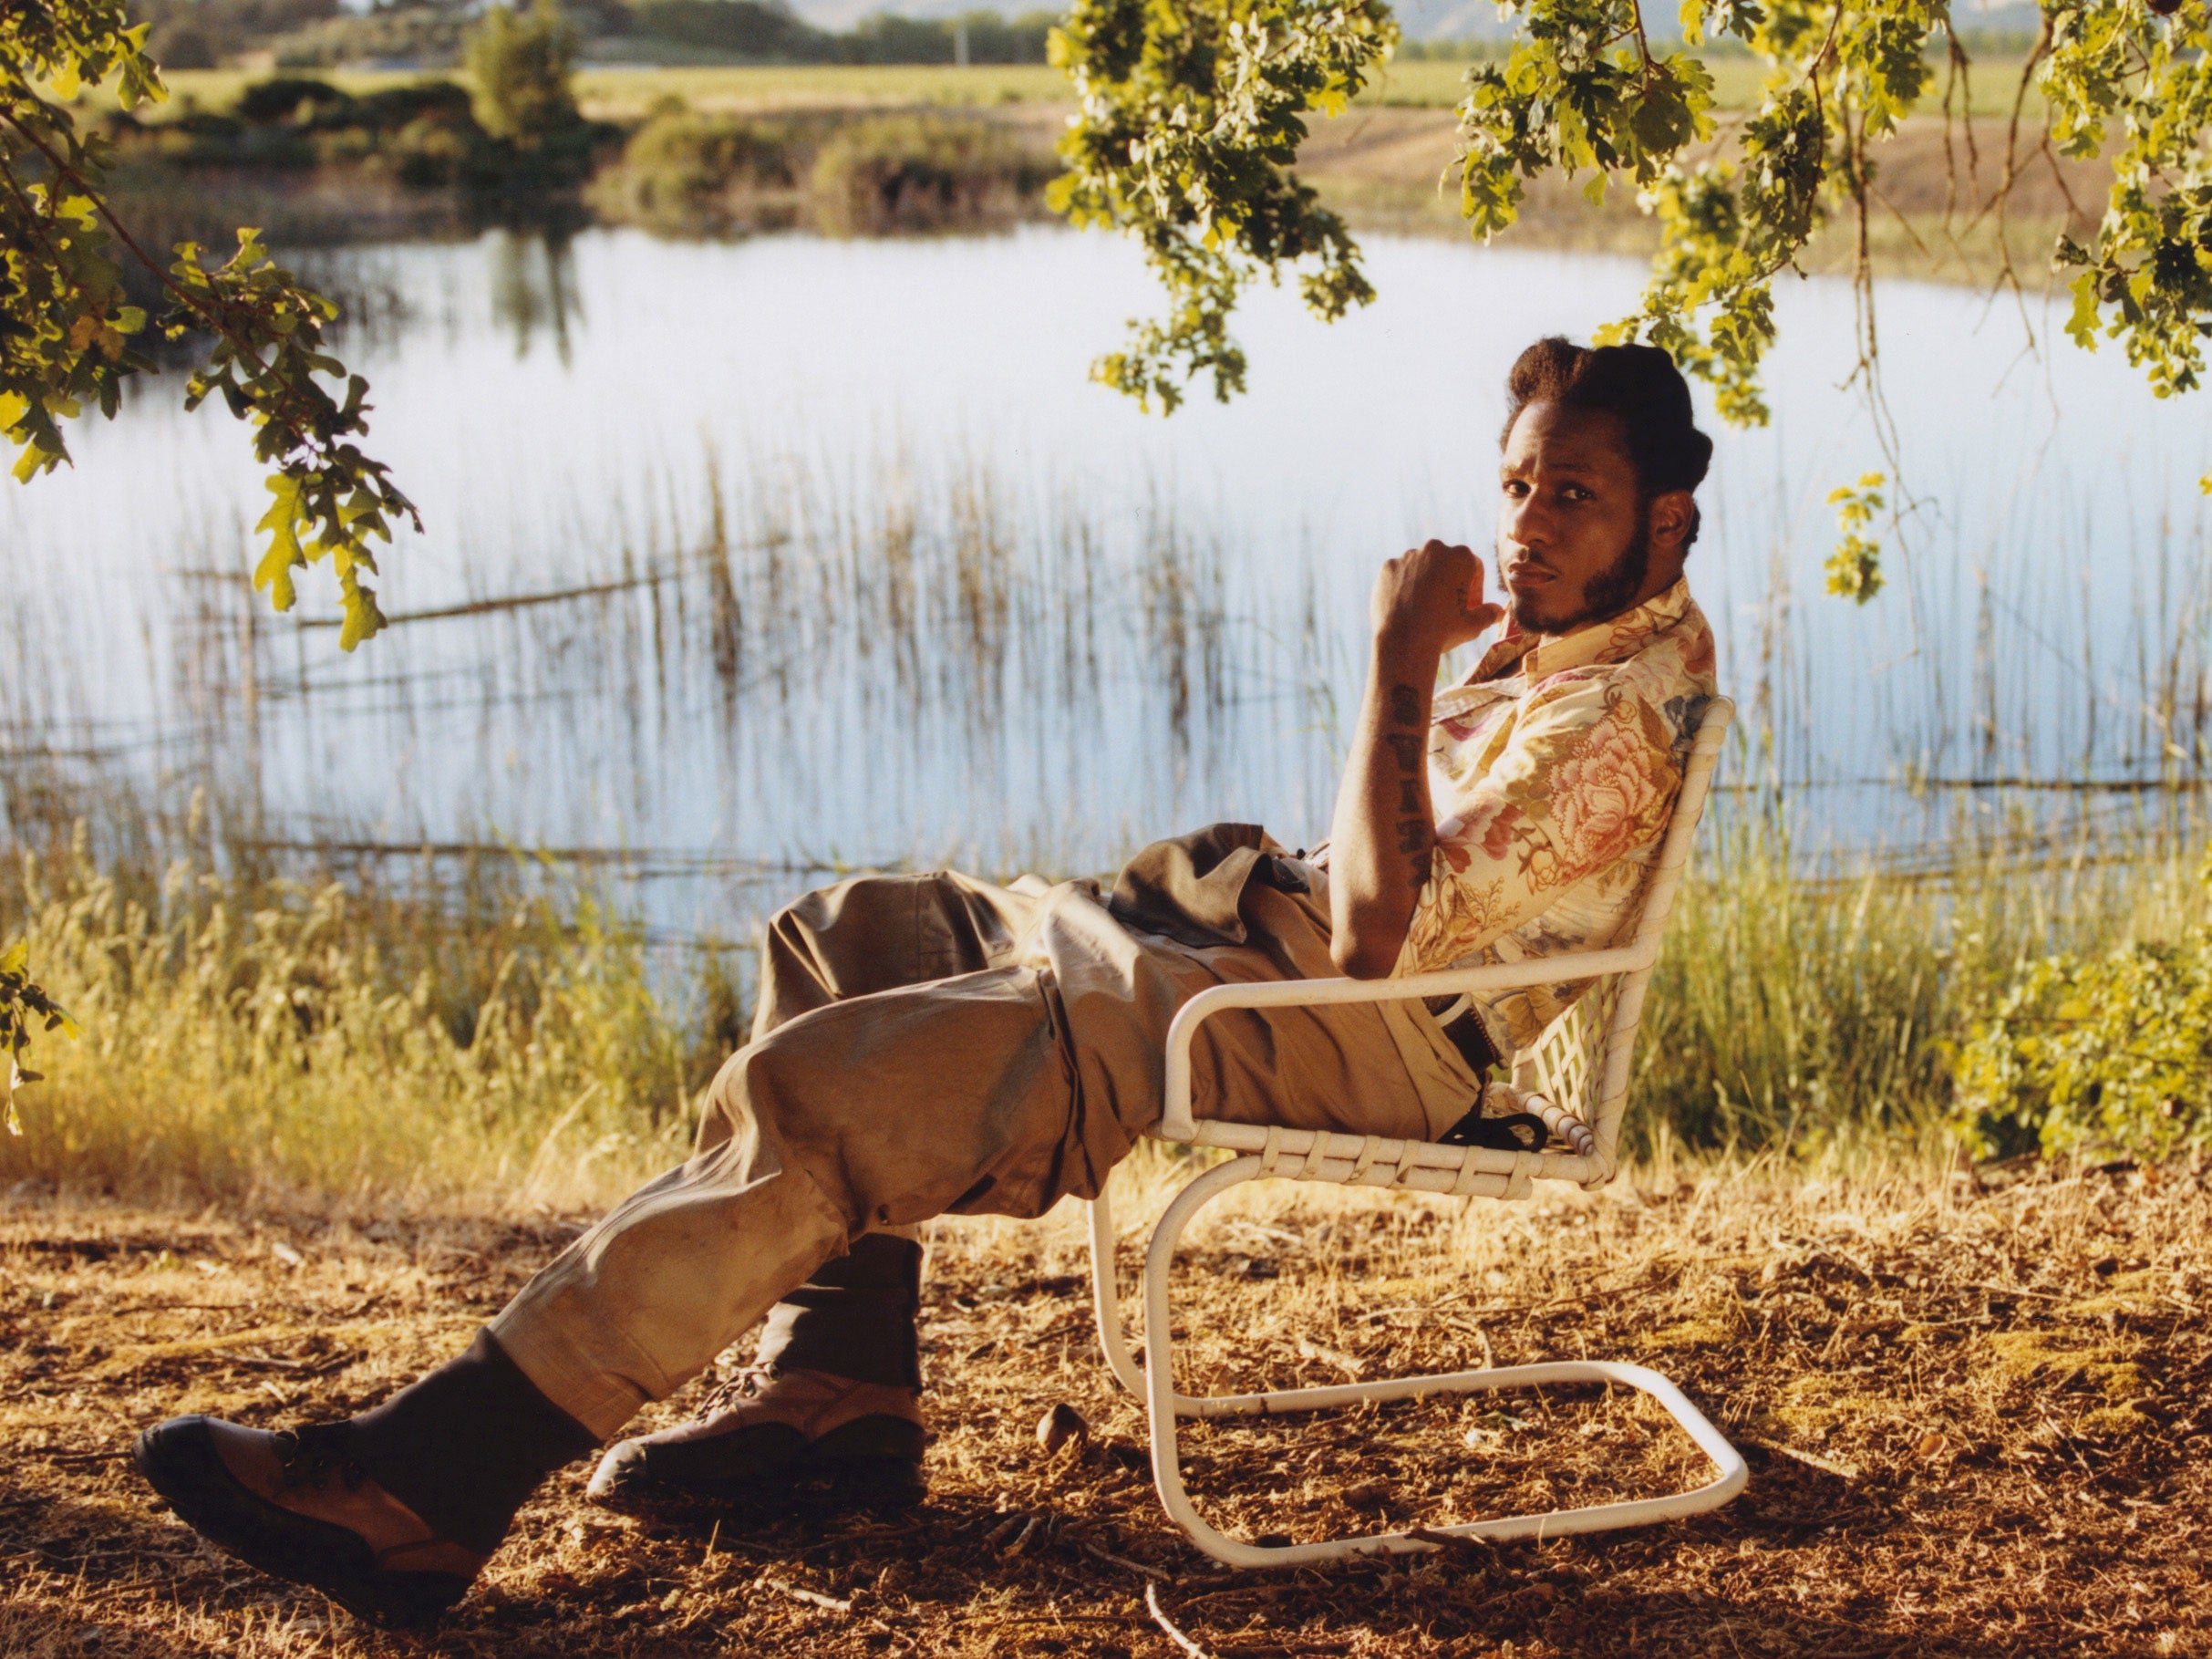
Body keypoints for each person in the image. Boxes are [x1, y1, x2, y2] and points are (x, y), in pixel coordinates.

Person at [130, 337, 1721, 1627]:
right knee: (852, 937)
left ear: (1661, 521)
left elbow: (1380, 947)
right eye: (1515, 483)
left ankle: (429, 1480)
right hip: (1259, 953)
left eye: (1570, 496)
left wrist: (1393, 659)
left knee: (821, 1099)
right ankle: (835, 1402)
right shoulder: (1567, 642)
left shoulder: (1615, 720)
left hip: (1345, 1029)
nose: (1523, 525)